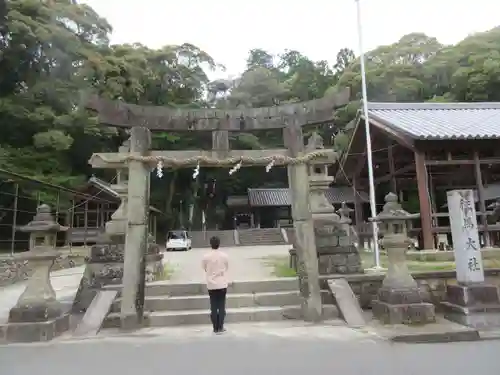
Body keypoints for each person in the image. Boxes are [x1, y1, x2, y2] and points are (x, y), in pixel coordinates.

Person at [202, 236, 229, 334]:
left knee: (213, 306)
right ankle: (221, 327)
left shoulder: (206, 257)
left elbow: (204, 268)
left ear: (210, 244)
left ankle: (215, 327)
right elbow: (226, 267)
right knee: (221, 306)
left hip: (211, 284)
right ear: (219, 244)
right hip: (222, 283)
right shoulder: (224, 256)